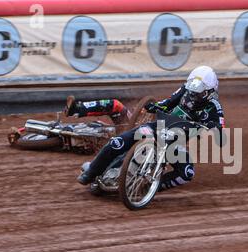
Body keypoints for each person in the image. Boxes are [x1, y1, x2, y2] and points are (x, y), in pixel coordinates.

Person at [75, 65, 225, 191]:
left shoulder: (214, 107)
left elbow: (221, 134)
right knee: (117, 142)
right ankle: (91, 172)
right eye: (192, 89)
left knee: (187, 173)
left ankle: (150, 187)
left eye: (199, 92)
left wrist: (214, 128)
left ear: (210, 92)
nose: (193, 95)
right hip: (158, 127)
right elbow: (168, 102)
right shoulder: (185, 90)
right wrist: (155, 106)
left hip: (175, 143)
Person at [64, 95, 131, 126]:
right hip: (115, 107)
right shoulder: (128, 115)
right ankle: (75, 108)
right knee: (95, 109)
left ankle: (76, 107)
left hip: (113, 106)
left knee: (94, 106)